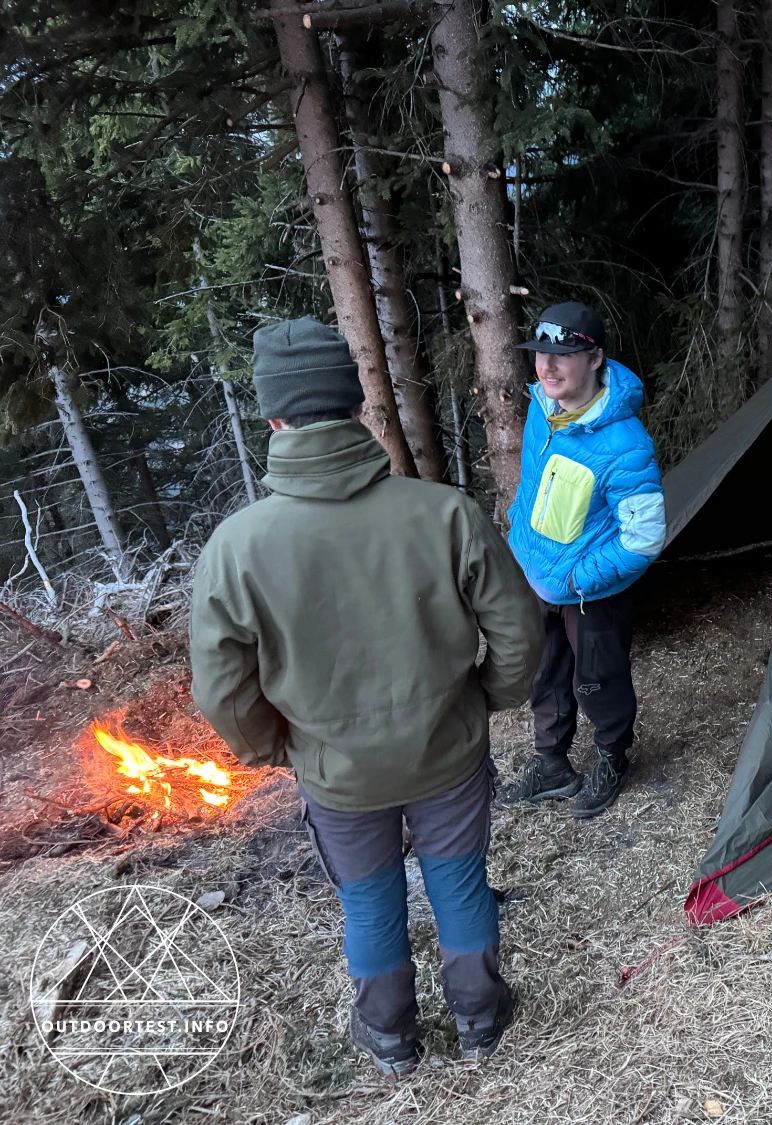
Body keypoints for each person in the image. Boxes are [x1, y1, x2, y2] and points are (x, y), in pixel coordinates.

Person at [190, 317, 542, 1078]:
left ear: (275, 419)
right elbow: (517, 625)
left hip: (337, 774)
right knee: (457, 880)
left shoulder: (236, 547)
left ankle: (389, 1036)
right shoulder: (443, 511)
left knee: (369, 900)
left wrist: (274, 746)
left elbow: (220, 687)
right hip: (447, 750)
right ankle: (480, 1017)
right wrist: (489, 698)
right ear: (356, 407)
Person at [501, 301, 666, 818]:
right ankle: (552, 765)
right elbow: (533, 483)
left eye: (563, 355)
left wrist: (579, 577)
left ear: (594, 358)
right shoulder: (540, 409)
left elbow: (643, 538)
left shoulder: (625, 443)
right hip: (539, 575)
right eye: (541, 354)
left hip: (590, 588)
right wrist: (518, 531)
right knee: (545, 673)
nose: (547, 367)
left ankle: (613, 757)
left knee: (598, 681)